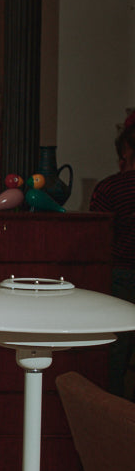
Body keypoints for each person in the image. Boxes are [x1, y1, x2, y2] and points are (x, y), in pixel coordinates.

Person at [90, 111, 135, 397]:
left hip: (122, 274)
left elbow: (98, 240)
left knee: (114, 358)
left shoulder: (109, 187)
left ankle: (117, 426)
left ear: (124, 154)